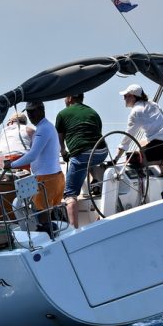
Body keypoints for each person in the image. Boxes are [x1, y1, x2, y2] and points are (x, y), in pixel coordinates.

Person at [7, 101, 66, 227]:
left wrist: (11, 165)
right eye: (28, 112)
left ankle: (49, 233)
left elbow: (32, 155)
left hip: (46, 179)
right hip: (54, 177)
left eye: (33, 111)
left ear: (41, 110)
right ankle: (54, 230)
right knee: (48, 214)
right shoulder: (48, 127)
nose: (30, 115)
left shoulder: (42, 129)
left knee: (43, 217)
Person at [55, 94, 107, 228]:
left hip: (82, 155)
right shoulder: (93, 112)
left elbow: (59, 142)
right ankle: (95, 181)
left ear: (69, 98)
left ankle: (74, 229)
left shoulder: (62, 114)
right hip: (102, 152)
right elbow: (96, 136)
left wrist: (64, 154)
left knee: (70, 195)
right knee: (90, 157)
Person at [111, 84, 163, 176]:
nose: (124, 99)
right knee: (141, 142)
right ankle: (160, 164)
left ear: (133, 96)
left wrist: (115, 159)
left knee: (134, 159)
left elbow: (127, 139)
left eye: (125, 96)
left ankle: (162, 163)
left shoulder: (136, 112)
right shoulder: (153, 104)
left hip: (161, 149)